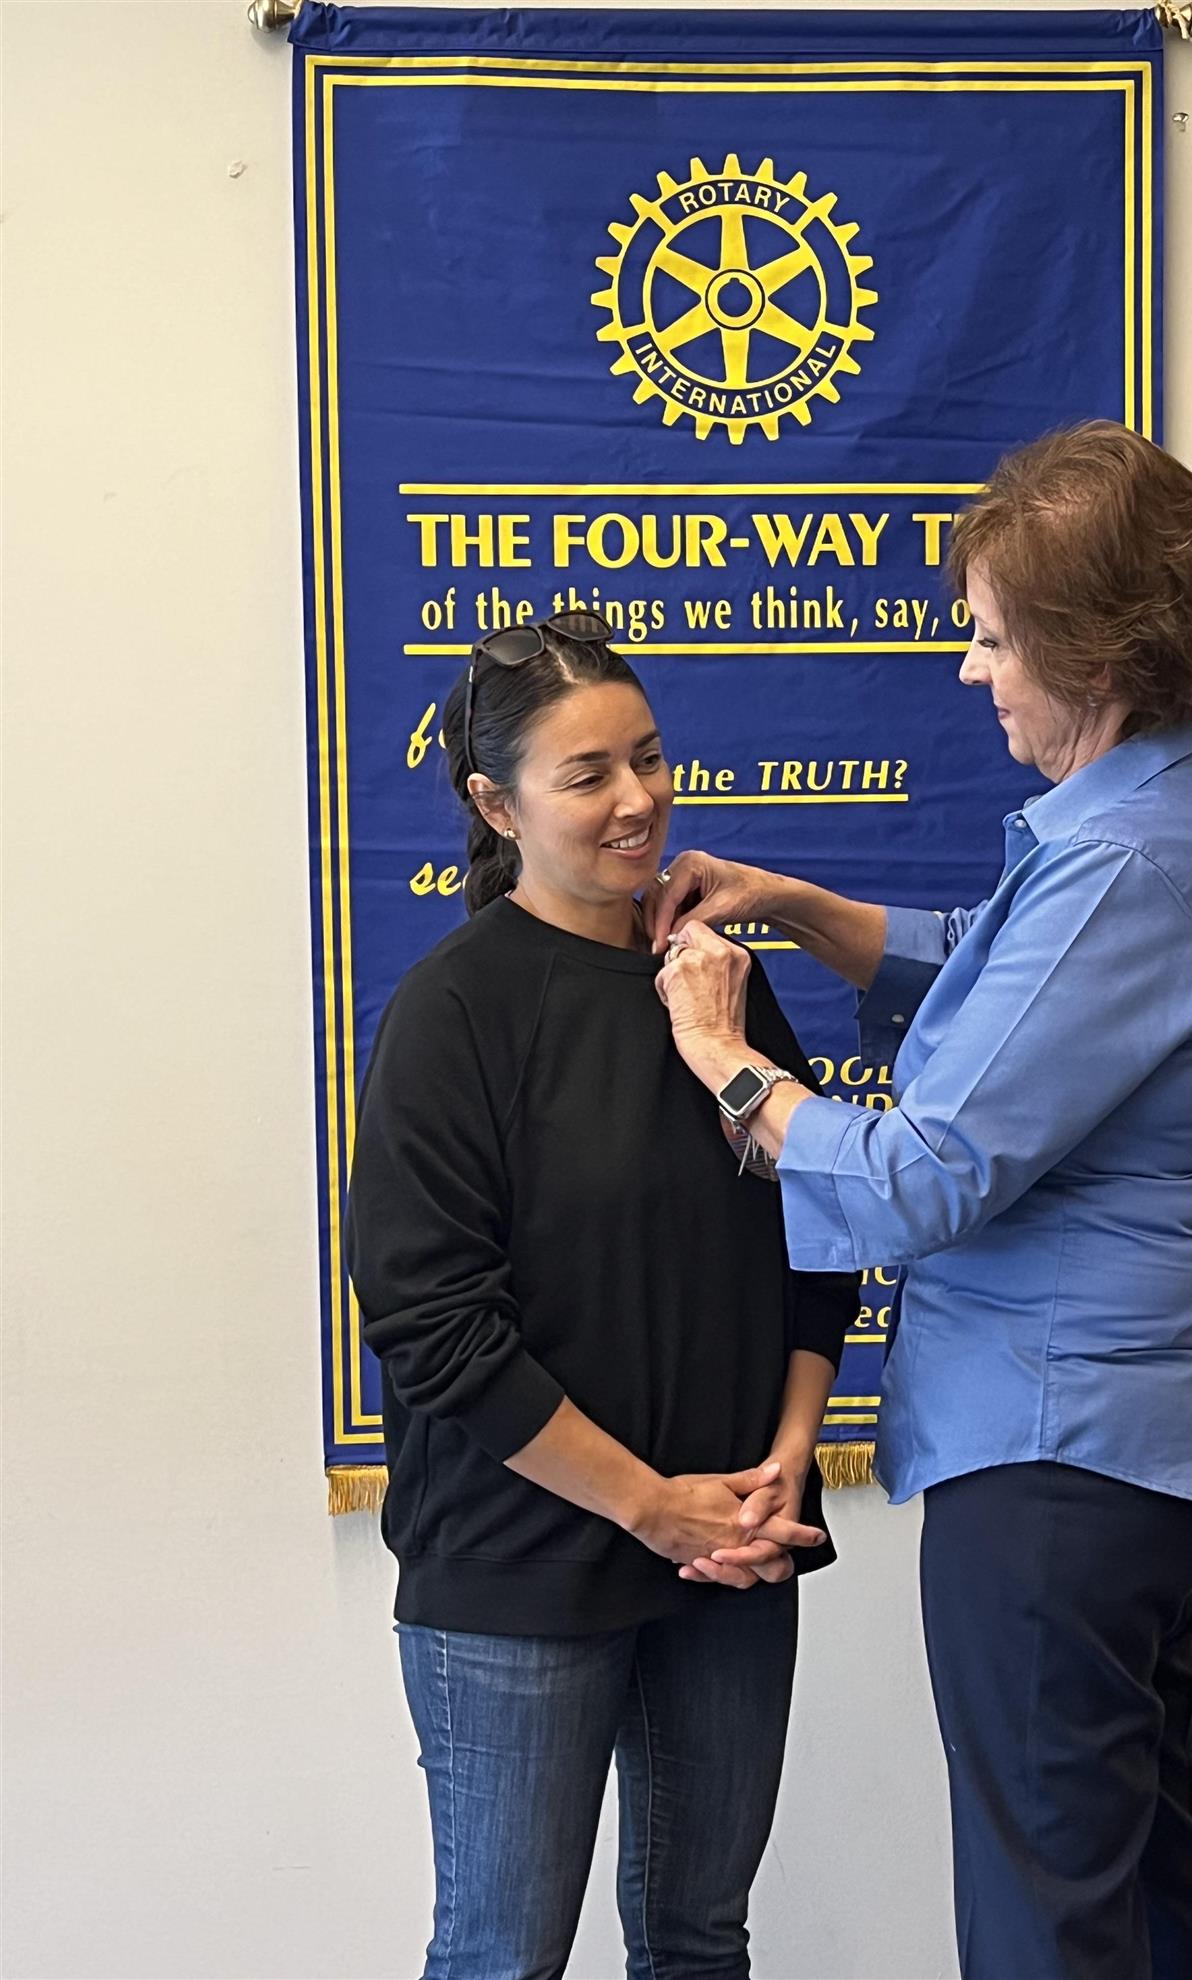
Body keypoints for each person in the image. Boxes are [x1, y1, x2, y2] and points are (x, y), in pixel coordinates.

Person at [648, 423, 1192, 1980]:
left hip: (1059, 1456)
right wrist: (804, 909)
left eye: (993, 639)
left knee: (1045, 1918)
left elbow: (923, 1177)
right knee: (1137, 1884)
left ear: (1096, 657)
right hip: (1129, 1445)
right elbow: (1006, 976)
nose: (970, 670)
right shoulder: (1180, 808)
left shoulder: (1125, 863)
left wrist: (726, 1064)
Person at [345, 611, 854, 1980]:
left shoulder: (720, 990)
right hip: (517, 1570)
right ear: (493, 804)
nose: (636, 800)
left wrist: (784, 1463)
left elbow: (823, 1231)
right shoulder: (454, 1014)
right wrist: (647, 1504)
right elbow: (433, 1324)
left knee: (700, 1941)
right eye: (587, 775)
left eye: (647, 759)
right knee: (504, 1952)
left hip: (731, 1552)